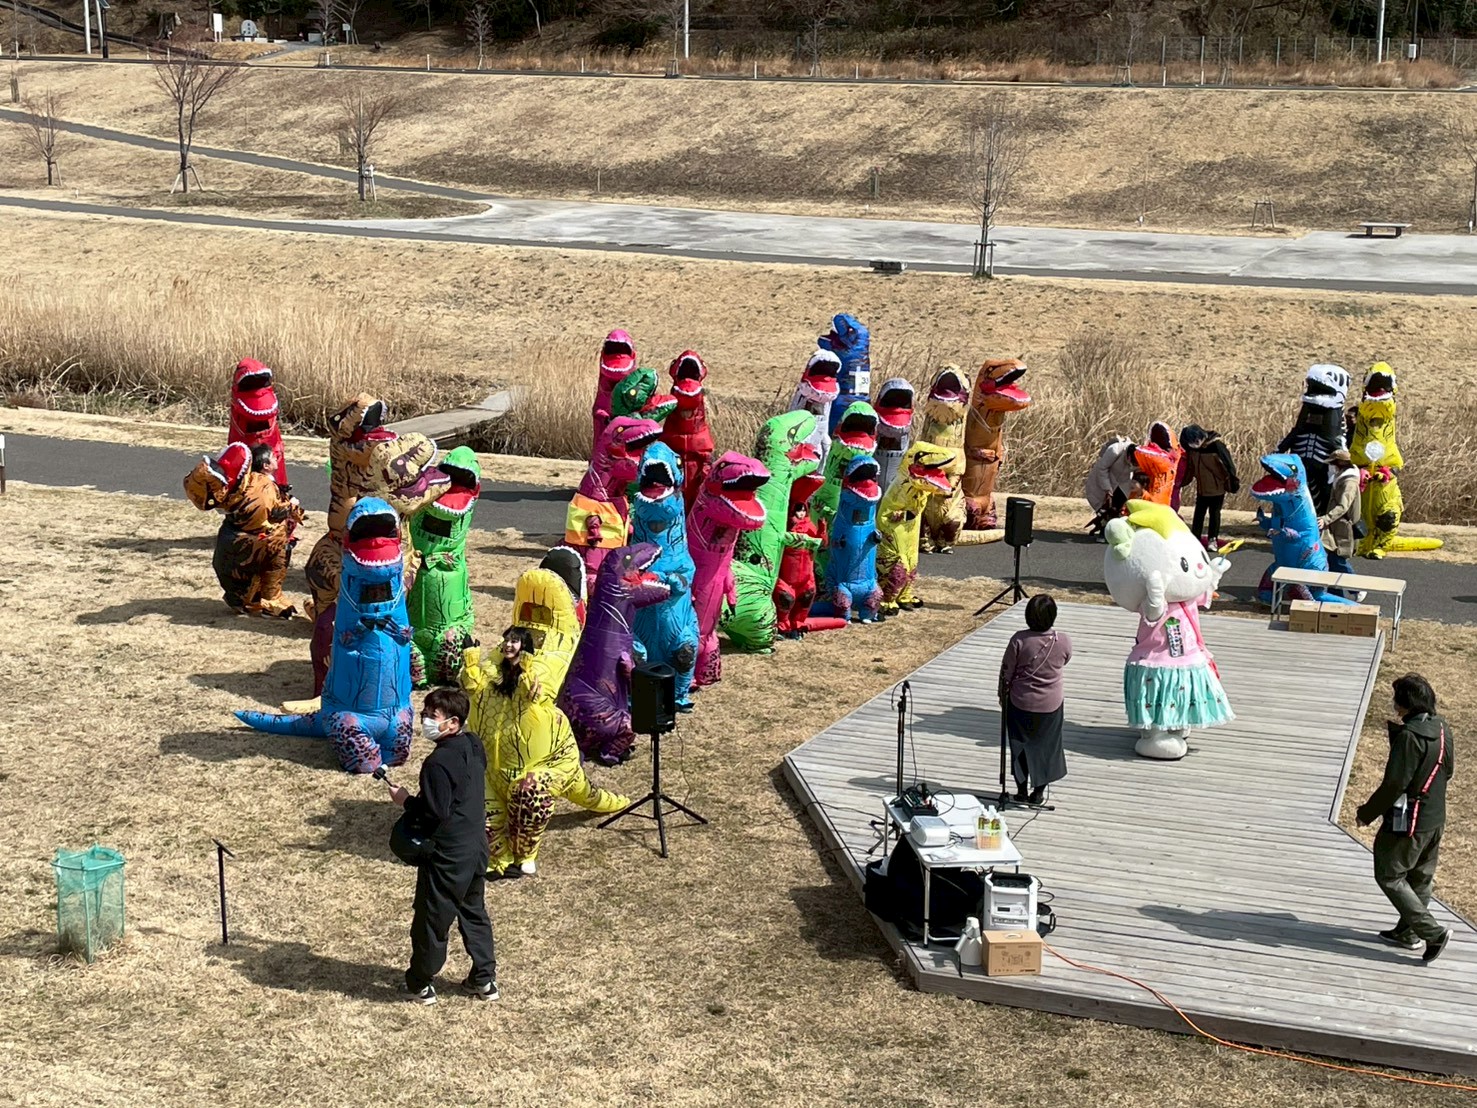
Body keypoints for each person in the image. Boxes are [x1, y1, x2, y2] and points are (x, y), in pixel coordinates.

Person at [389, 688, 499, 1003]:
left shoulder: (437, 763)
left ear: (452, 722)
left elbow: (434, 812)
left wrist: (406, 801)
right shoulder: (473, 745)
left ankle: (420, 984)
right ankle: (484, 979)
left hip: (449, 856)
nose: (424, 719)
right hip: (476, 848)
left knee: (431, 920)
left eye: (430, 716)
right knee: (474, 913)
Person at [1356, 674, 1454, 963]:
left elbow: (1394, 784)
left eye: (1396, 697)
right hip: (1436, 818)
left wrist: (1367, 813)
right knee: (1420, 877)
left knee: (1389, 874)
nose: (1393, 703)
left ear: (1407, 703)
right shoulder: (1442, 729)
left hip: (1409, 821)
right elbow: (1448, 771)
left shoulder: (1410, 738)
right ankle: (1408, 933)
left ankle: (1432, 933)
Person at [997, 594, 1072, 805]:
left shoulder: (1018, 640)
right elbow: (1066, 659)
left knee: (1019, 745)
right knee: (1047, 747)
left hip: (1020, 702)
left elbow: (1007, 671)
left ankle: (1020, 790)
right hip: (1051, 703)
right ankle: (1038, 792)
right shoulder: (1062, 640)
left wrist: (1003, 695)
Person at [1176, 425, 1240, 551]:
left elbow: (1229, 466)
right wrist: (1180, 483)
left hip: (1217, 488)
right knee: (1198, 514)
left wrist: (1232, 483)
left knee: (1214, 514)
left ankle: (1213, 539)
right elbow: (1190, 469)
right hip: (1202, 488)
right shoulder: (1193, 450)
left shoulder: (1216, 446)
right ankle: (1195, 538)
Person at [1318, 448, 1361, 585]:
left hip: (1343, 526)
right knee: (1331, 560)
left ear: (1340, 463)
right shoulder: (1341, 477)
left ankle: (1356, 587)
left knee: (1337, 559)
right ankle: (1336, 595)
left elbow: (1343, 506)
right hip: (1335, 524)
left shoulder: (1349, 483)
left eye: (1333, 463)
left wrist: (1326, 519)